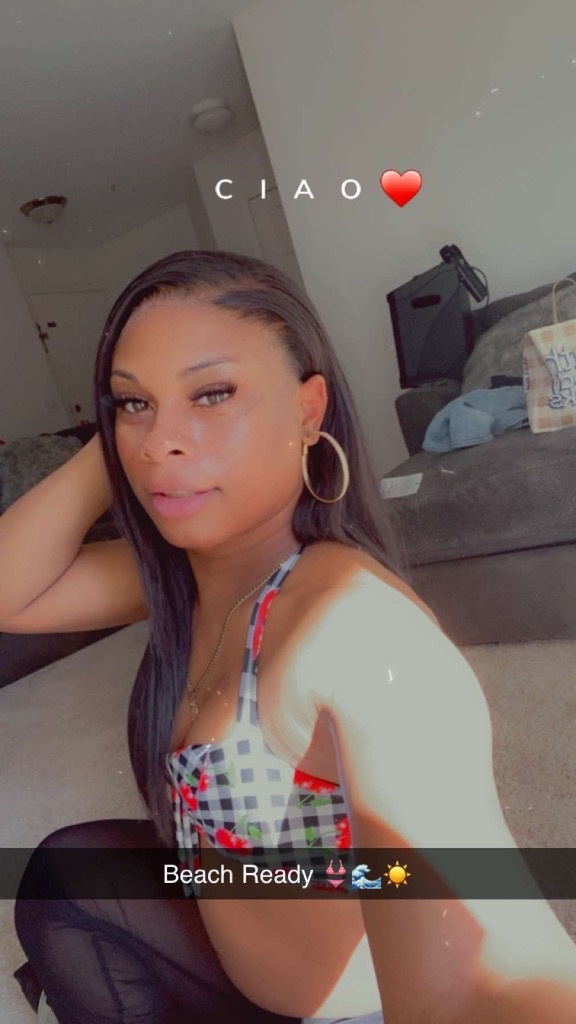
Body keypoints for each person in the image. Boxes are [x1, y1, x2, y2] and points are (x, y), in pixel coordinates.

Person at [4, 249, 576, 1024]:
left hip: (349, 1012)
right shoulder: (191, 571)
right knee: (63, 877)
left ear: (309, 411)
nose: (158, 442)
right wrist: (120, 439)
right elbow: (11, 592)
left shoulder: (352, 628)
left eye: (212, 393)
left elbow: (492, 961)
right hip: (240, 943)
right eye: (132, 402)